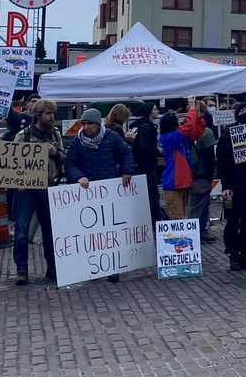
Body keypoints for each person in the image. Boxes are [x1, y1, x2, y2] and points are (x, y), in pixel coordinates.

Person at [65, 106, 135, 283]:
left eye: (89, 123)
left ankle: (113, 267)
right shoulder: (77, 142)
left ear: (98, 124)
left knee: (110, 232)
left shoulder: (111, 138)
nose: (86, 127)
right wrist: (78, 176)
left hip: (109, 192)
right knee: (91, 234)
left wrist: (127, 171)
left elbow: (126, 152)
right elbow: (70, 163)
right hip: (88, 193)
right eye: (84, 123)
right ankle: (93, 266)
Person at [13, 98, 67, 284]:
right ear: (38, 115)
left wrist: (54, 153)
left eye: (53, 113)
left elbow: (62, 158)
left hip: (48, 188)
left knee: (50, 231)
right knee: (21, 231)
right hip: (27, 190)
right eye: (48, 114)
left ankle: (52, 267)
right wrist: (18, 181)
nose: (52, 117)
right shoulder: (23, 136)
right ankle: (22, 269)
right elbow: (13, 163)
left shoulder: (56, 134)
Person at [216, 105, 246, 271]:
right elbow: (222, 163)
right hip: (235, 186)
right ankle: (233, 254)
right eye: (242, 112)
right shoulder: (228, 135)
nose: (245, 114)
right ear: (236, 115)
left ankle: (245, 254)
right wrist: (226, 186)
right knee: (233, 222)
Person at [159, 97, 204, 221]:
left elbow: (198, 132)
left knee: (180, 219)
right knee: (178, 220)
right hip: (174, 185)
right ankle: (181, 240)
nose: (180, 123)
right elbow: (188, 127)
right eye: (178, 121)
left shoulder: (176, 138)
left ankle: (182, 240)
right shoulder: (169, 138)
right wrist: (192, 109)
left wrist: (198, 116)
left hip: (179, 184)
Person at [186, 101, 218, 243]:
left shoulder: (184, 131)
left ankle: (195, 230)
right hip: (201, 174)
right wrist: (211, 175)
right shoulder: (207, 133)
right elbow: (210, 157)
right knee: (201, 205)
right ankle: (200, 231)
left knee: (192, 204)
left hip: (187, 174)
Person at [128, 103, 162, 226]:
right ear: (149, 112)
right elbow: (144, 147)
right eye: (155, 109)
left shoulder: (141, 126)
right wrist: (157, 151)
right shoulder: (147, 127)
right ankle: (154, 223)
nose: (157, 111)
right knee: (152, 197)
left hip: (143, 166)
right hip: (147, 167)